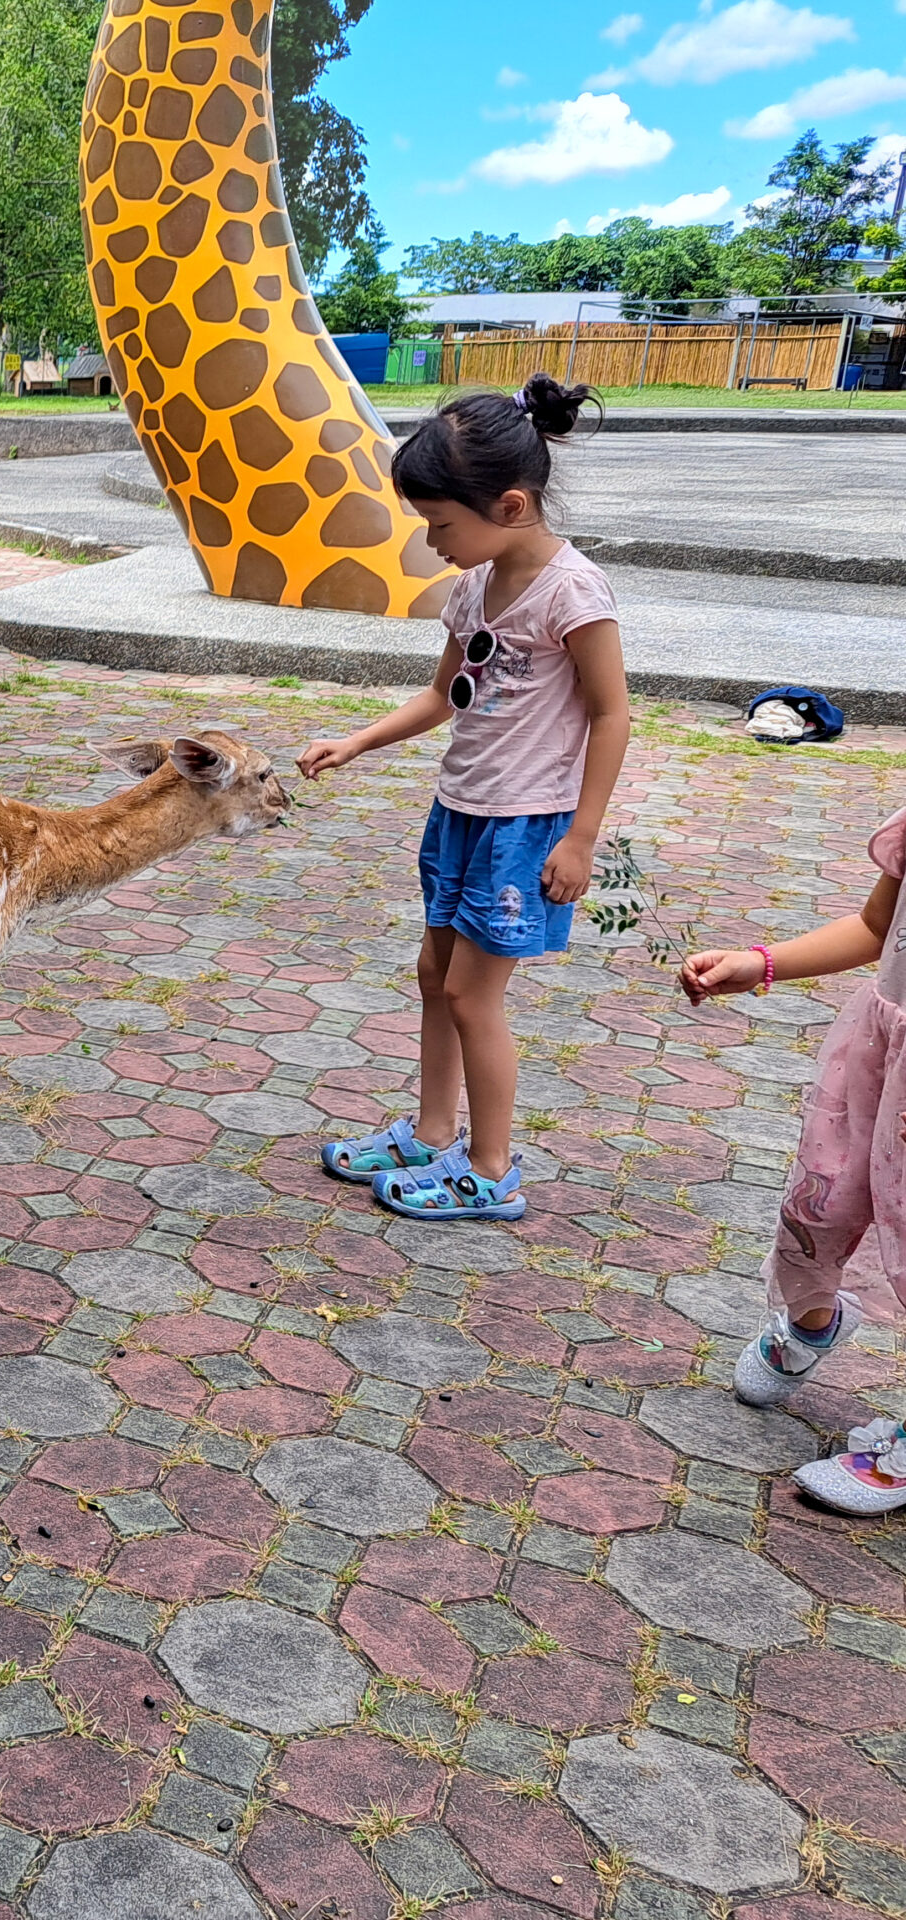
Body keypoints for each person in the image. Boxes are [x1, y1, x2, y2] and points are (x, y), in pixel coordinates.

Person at [299, 375, 629, 1222]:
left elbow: (611, 713)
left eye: (441, 525)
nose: (432, 541)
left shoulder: (573, 592)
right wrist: (361, 739)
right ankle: (430, 1130)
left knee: (473, 997)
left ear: (511, 505)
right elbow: (447, 694)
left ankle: (489, 1169)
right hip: (461, 811)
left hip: (525, 826)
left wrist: (582, 837)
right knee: (435, 975)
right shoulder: (473, 586)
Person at [679, 856, 906, 1514]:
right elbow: (875, 924)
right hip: (879, 1056)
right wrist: (761, 963)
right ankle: (812, 1325)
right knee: (819, 1207)